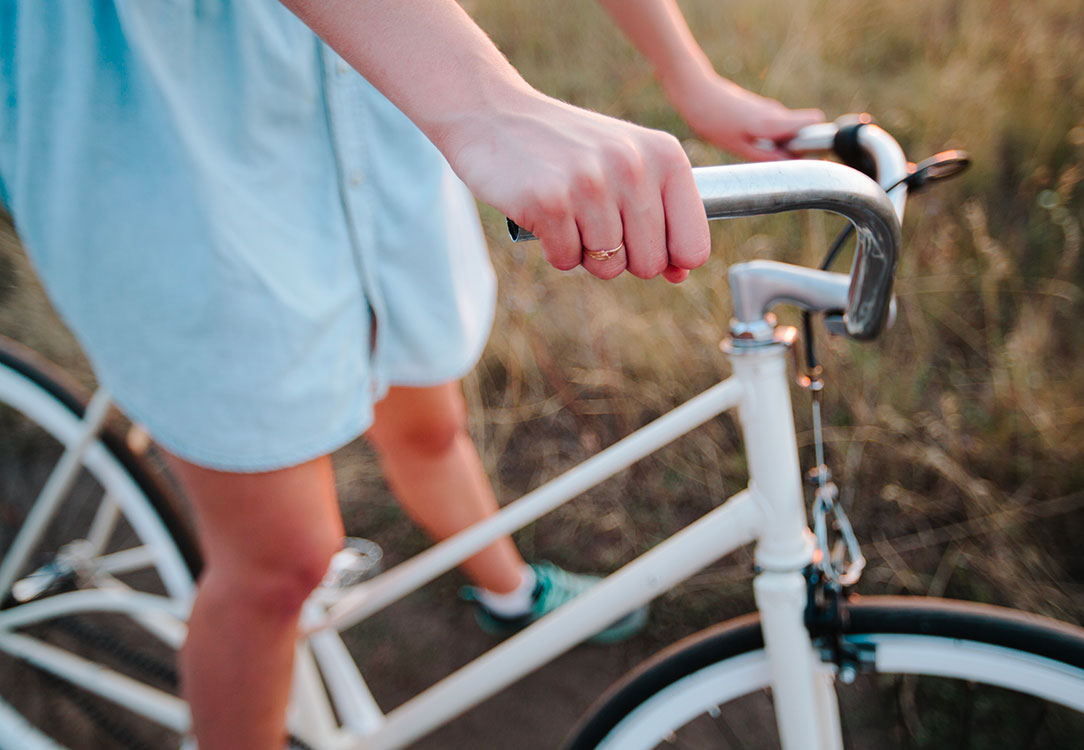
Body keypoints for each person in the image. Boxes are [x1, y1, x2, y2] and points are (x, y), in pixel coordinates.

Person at [0, 0, 822, 747]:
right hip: (170, 138)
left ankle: (508, 592)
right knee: (280, 565)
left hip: (385, 93)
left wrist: (688, 71)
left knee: (428, 423)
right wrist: (491, 105)